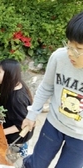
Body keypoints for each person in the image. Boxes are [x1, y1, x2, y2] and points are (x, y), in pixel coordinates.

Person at [21, 11, 83, 168]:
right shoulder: (59, 57)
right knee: (36, 164)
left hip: (80, 137)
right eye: (69, 45)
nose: (70, 53)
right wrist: (32, 114)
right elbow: (46, 87)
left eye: (78, 48)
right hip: (54, 124)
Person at [0, 59, 34, 157]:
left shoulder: (17, 99)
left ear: (8, 74)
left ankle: (21, 149)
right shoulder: (14, 84)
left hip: (18, 134)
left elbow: (21, 125)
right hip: (10, 123)